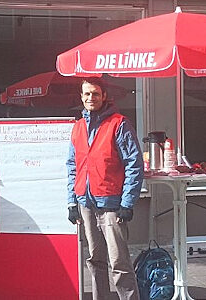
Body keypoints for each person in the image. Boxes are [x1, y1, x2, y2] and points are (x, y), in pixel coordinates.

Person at [66, 78, 143, 300]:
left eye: (96, 94)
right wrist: (72, 202)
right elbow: (73, 166)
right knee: (95, 260)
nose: (91, 98)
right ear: (81, 96)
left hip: (112, 204)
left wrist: (127, 203)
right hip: (86, 204)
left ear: (104, 96)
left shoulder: (119, 124)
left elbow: (134, 164)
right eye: (87, 94)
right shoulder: (78, 127)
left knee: (119, 262)